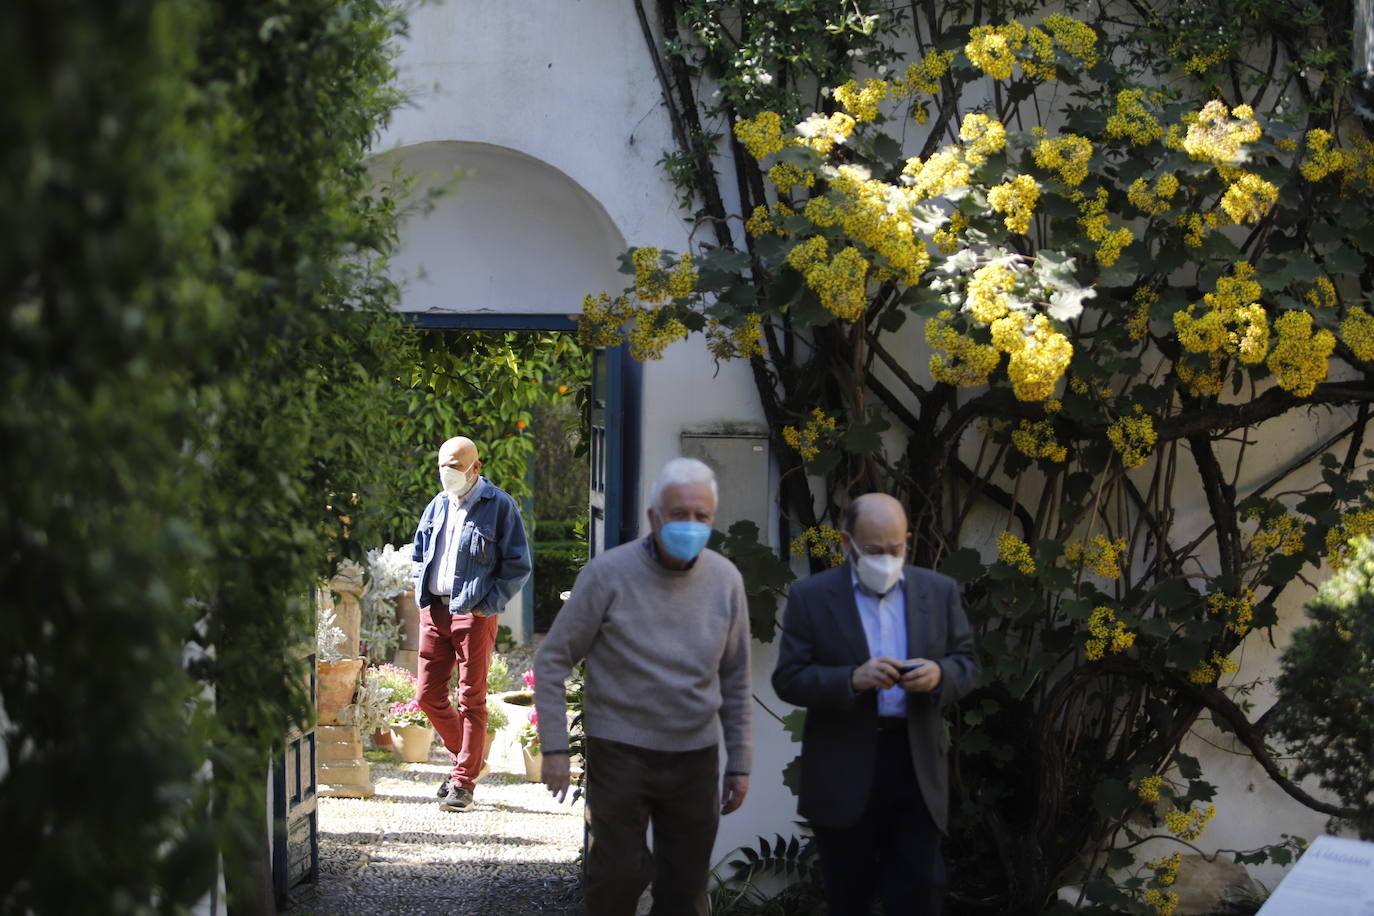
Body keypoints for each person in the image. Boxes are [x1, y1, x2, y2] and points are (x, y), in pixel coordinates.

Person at [534, 457, 752, 916]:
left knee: (686, 888)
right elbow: (553, 659)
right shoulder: (607, 575)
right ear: (654, 518)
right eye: (679, 514)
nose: (690, 525)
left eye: (702, 516)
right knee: (617, 876)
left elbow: (735, 677)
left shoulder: (726, 581)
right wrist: (554, 747)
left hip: (695, 756)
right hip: (620, 752)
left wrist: (740, 763)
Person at [772, 493, 979, 915]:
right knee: (849, 894)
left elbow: (969, 664)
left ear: (908, 540)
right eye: (873, 550)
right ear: (847, 541)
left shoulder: (938, 591)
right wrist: (850, 679)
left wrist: (940, 675)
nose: (886, 558)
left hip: (916, 761)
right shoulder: (811, 595)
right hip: (843, 765)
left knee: (921, 891)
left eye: (896, 549)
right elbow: (788, 679)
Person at [411, 436, 531, 812]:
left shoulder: (500, 506)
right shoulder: (436, 505)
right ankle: (470, 760)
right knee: (427, 696)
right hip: (434, 611)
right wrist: (422, 592)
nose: (448, 475)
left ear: (475, 467)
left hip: (474, 613)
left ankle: (463, 782)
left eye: (455, 467)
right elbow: (419, 552)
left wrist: (489, 605)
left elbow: (517, 565)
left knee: (471, 697)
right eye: (442, 467)